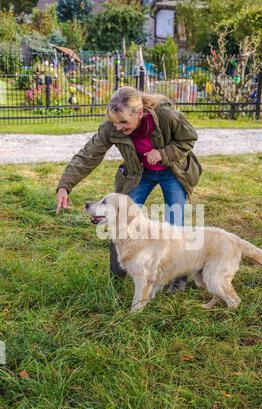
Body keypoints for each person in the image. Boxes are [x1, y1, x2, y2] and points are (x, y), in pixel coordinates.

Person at [56, 86, 202, 292]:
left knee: (175, 222)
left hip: (172, 170)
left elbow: (189, 138)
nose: (118, 128)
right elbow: (88, 155)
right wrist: (65, 186)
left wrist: (163, 153)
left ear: (139, 113)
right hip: (139, 173)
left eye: (123, 122)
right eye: (115, 122)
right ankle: (118, 275)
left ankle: (176, 279)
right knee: (119, 217)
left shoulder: (166, 116)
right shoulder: (112, 127)